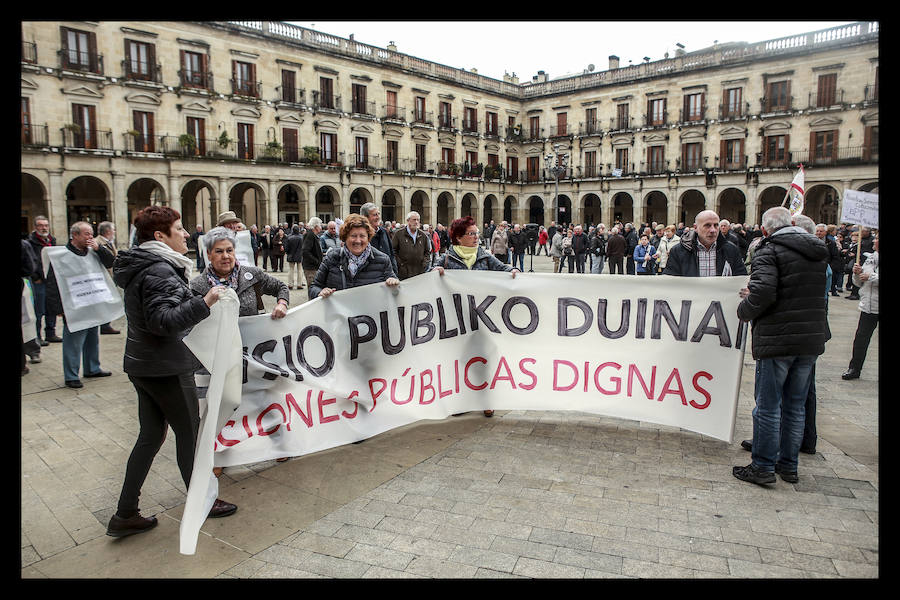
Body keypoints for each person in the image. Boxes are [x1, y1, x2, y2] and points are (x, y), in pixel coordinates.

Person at [108, 206, 236, 537]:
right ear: (159, 236)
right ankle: (202, 501)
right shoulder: (158, 271)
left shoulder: (149, 266)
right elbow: (163, 321)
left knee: (150, 437)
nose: (185, 234)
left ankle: (125, 513)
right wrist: (204, 302)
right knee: (189, 435)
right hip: (165, 365)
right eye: (178, 229)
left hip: (143, 363)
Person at [733, 207, 828, 486]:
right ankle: (788, 465)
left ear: (765, 229)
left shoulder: (769, 251)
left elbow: (763, 293)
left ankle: (762, 466)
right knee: (795, 405)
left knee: (769, 406)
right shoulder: (817, 251)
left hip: (779, 339)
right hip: (810, 339)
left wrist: (744, 308)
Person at [435, 216, 518, 418]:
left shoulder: (484, 256)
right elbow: (431, 273)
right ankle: (462, 400)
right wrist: (436, 272)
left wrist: (513, 270)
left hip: (482, 317)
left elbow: (502, 267)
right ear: (458, 237)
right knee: (459, 359)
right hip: (457, 318)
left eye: (476, 233)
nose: (476, 237)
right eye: (471, 234)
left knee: (484, 359)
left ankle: (486, 400)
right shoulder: (447, 258)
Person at [45, 222, 115, 389]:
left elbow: (111, 262)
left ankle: (92, 368)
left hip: (91, 302)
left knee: (93, 338)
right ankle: (71, 375)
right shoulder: (61, 255)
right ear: (74, 235)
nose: (90, 237)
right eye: (86, 234)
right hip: (73, 306)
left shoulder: (93, 251)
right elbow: (53, 283)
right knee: (73, 342)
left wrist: (99, 248)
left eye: (91, 233)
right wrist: (58, 309)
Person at [310, 214, 399, 300]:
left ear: (368, 237)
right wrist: (319, 292)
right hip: (339, 315)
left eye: (362, 236)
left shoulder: (382, 260)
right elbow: (314, 287)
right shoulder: (332, 258)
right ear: (345, 237)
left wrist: (393, 283)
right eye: (353, 236)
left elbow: (396, 292)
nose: (358, 241)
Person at [663, 210, 747, 277]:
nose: (713, 230)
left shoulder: (731, 250)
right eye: (707, 225)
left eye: (716, 225)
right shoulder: (678, 251)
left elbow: (741, 278)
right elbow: (670, 281)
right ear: (695, 228)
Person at [842, 233, 878, 380]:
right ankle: (854, 368)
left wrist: (872, 277)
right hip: (869, 306)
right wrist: (857, 273)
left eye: (877, 239)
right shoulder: (871, 258)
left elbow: (871, 278)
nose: (874, 240)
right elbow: (859, 283)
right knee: (861, 339)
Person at [26, 215, 61, 345]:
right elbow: (30, 261)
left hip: (51, 280)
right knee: (38, 309)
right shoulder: (30, 242)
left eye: (46, 225)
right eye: (41, 225)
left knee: (51, 307)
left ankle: (51, 333)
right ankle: (37, 336)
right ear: (35, 227)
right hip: (38, 281)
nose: (44, 228)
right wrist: (35, 277)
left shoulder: (52, 240)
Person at [96, 221, 121, 335]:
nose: (114, 232)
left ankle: (106, 324)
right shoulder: (97, 243)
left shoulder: (110, 242)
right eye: (113, 230)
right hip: (103, 276)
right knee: (104, 302)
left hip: (111, 276)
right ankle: (104, 325)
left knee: (109, 301)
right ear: (108, 231)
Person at [360, 202, 398, 276]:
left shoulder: (384, 231)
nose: (378, 217)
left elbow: (391, 254)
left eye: (378, 214)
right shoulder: (361, 235)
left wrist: (394, 272)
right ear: (365, 217)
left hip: (387, 276)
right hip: (371, 278)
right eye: (374, 215)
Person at [392, 211, 432, 280]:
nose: (416, 222)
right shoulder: (398, 234)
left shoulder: (423, 235)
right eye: (414, 220)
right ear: (408, 221)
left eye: (418, 220)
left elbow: (427, 252)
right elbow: (393, 251)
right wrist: (400, 265)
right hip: (403, 274)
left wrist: (424, 264)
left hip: (419, 273)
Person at [302, 217, 325, 300]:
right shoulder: (310, 235)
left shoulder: (312, 235)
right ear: (316, 226)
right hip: (311, 268)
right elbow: (305, 251)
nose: (321, 227)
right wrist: (316, 261)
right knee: (312, 288)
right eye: (320, 225)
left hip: (313, 267)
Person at [284, 224, 305, 290]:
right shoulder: (302, 237)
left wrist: (288, 253)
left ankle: (290, 284)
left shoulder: (289, 237)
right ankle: (299, 284)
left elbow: (286, 248)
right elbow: (304, 247)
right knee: (300, 270)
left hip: (291, 255)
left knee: (291, 270)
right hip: (299, 255)